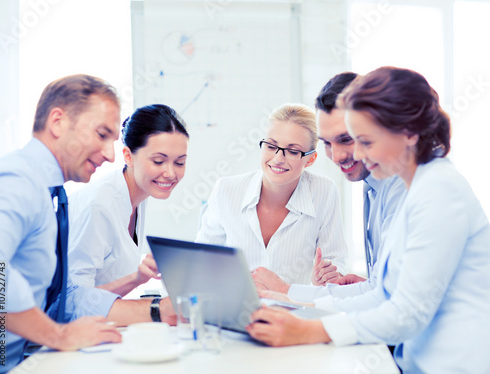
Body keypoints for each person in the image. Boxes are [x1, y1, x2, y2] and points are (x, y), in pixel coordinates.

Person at [246, 66, 490, 374]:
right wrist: (297, 304)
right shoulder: (414, 186)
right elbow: (381, 294)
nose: (353, 154)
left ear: (409, 134)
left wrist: (308, 329)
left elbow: (406, 314)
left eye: (366, 141)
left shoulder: (439, 191)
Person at [0, 75, 175, 373]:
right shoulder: (19, 182)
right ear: (58, 122)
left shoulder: (52, 193)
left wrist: (153, 311)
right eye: (101, 134)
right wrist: (58, 335)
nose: (110, 154)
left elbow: (65, 296)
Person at [252, 72, 405, 302]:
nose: (337, 156)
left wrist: (287, 292)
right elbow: (389, 289)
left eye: (346, 139)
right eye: (327, 143)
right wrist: (369, 287)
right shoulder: (371, 185)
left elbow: (398, 302)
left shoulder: (404, 188)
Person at [196, 103, 348, 285]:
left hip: (296, 310)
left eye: (292, 151)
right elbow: (201, 261)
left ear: (310, 159)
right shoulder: (226, 191)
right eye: (271, 146)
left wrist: (326, 277)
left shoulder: (324, 191)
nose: (278, 159)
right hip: (236, 310)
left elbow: (336, 262)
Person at [68, 104, 189, 297]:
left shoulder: (140, 194)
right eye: (158, 161)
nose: (170, 173)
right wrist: (136, 278)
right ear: (128, 156)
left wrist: (140, 277)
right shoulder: (100, 205)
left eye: (180, 162)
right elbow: (74, 300)